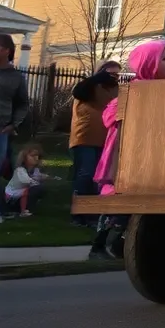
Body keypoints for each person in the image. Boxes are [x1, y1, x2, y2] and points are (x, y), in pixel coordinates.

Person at [89, 39, 165, 260]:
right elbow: (109, 115)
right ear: (150, 64)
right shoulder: (136, 90)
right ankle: (101, 245)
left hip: (159, 156)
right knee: (119, 201)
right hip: (130, 156)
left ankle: (126, 243)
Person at [69, 60, 121, 213]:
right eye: (111, 74)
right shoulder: (88, 87)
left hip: (105, 139)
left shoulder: (116, 90)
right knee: (86, 172)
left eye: (117, 74)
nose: (114, 78)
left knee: (98, 177)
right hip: (85, 137)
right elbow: (77, 92)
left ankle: (91, 212)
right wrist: (96, 78)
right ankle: (79, 212)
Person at [0, 35, 28, 183]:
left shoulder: (16, 77)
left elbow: (23, 104)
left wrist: (13, 124)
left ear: (6, 51)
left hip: (0, 131)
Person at [4, 144, 53, 216]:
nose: (36, 158)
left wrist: (43, 177)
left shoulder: (35, 170)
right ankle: (23, 210)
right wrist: (36, 180)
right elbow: (26, 181)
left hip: (22, 196)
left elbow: (37, 177)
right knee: (38, 188)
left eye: (38, 156)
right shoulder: (20, 170)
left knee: (40, 188)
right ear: (24, 157)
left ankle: (26, 208)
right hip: (12, 198)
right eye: (32, 156)